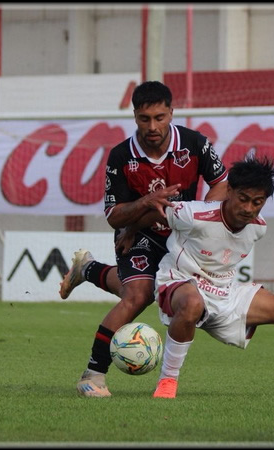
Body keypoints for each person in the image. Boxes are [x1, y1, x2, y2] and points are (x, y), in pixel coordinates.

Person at [59, 81, 229, 397]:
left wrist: (198, 217)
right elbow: (114, 216)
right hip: (138, 235)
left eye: (159, 118)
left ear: (171, 113)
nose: (152, 127)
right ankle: (92, 375)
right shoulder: (121, 156)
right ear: (135, 116)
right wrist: (146, 202)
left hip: (183, 237)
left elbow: (221, 183)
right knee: (138, 295)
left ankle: (89, 269)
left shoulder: (195, 144)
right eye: (144, 119)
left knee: (162, 294)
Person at [142, 156, 274, 399]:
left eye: (257, 202)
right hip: (179, 281)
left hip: (222, 291)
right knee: (192, 303)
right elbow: (153, 214)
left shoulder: (258, 227)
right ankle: (168, 381)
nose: (249, 208)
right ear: (229, 191)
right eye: (243, 199)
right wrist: (130, 232)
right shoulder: (193, 214)